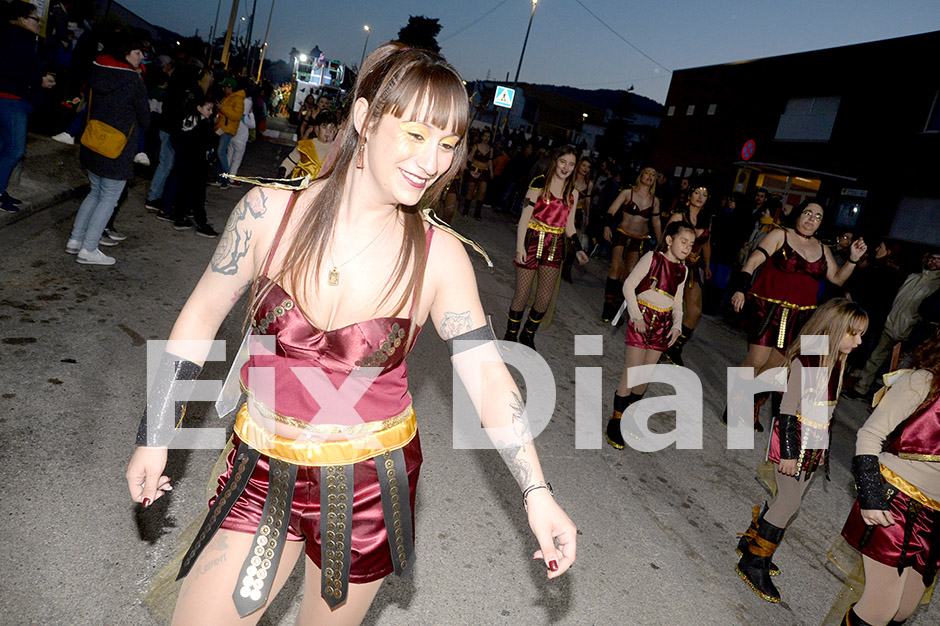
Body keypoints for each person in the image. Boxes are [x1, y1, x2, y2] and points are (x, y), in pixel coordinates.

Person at [125, 43, 576, 624]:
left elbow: (489, 377)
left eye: (446, 144)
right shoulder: (267, 214)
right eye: (415, 134)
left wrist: (536, 491)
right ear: (364, 118)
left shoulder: (441, 259)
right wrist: (156, 429)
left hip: (368, 489)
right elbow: (201, 316)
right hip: (260, 468)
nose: (432, 161)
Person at [735, 298, 869, 603]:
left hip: (812, 443)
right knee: (789, 503)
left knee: (785, 499)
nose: (859, 341)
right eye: (854, 333)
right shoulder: (808, 359)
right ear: (835, 329)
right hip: (792, 441)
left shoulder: (835, 359)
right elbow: (786, 410)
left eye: (862, 334)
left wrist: (819, 450)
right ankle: (753, 562)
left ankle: (753, 544)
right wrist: (789, 453)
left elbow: (825, 413)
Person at [728, 200, 866, 428]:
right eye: (808, 213)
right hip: (768, 308)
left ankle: (752, 403)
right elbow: (753, 260)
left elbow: (838, 278)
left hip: (799, 316)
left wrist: (852, 259)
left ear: (821, 223)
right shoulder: (779, 235)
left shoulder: (823, 249)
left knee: (776, 366)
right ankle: (735, 406)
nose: (811, 219)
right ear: (799, 215)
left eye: (818, 216)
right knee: (757, 359)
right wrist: (741, 288)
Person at [835, 327, 940, 626]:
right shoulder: (923, 381)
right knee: (881, 607)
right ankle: (756, 551)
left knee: (904, 610)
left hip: (936, 515)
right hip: (895, 501)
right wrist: (870, 494)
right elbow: (870, 433)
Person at [606, 220, 693, 449]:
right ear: (669, 240)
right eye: (683, 242)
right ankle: (616, 420)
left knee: (644, 377)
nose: (687, 247)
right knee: (632, 373)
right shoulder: (652, 259)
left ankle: (630, 417)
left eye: (691, 245)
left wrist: (677, 326)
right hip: (642, 317)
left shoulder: (683, 270)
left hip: (663, 325)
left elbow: (678, 302)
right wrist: (636, 316)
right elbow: (628, 286)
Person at [66, 32, 149, 265]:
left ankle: (75, 239)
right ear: (125, 54)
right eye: (137, 53)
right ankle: (89, 248)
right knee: (109, 198)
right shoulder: (133, 81)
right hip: (118, 147)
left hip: (93, 141)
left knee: (95, 192)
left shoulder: (97, 72)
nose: (141, 57)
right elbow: (144, 116)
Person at [503, 145, 589, 350]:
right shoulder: (539, 183)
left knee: (544, 298)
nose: (566, 167)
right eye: (563, 162)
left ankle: (528, 334)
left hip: (556, 245)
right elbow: (524, 218)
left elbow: (569, 225)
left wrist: (577, 248)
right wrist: (519, 247)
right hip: (532, 240)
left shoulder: (573, 193)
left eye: (571, 164)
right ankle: (510, 334)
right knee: (522, 294)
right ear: (555, 161)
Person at [849, 251, 940, 399]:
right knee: (876, 358)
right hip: (891, 324)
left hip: (911, 332)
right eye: (932, 258)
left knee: (900, 368)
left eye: (938, 260)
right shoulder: (913, 277)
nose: (933, 262)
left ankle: (885, 399)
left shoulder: (937, 286)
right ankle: (860, 388)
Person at [0, 2, 56, 213]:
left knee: (6, 146)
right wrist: (39, 80)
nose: (38, 23)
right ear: (22, 19)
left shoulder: (16, 37)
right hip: (12, 99)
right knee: (15, 149)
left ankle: (1, 189)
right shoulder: (15, 38)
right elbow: (11, 68)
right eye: (35, 18)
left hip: (15, 98)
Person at [601, 166, 663, 322]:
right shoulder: (627, 193)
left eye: (653, 175)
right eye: (647, 173)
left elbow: (656, 222)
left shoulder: (654, 200)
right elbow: (611, 210)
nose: (650, 176)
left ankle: (615, 306)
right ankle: (607, 307)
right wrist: (607, 226)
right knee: (616, 266)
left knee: (629, 273)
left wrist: (662, 242)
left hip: (639, 239)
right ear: (640, 176)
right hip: (622, 234)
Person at [664, 186, 713, 365]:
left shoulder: (707, 219)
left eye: (704, 195)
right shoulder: (679, 215)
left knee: (695, 311)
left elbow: (706, 244)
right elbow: (665, 239)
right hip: (674, 264)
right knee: (666, 305)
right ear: (690, 195)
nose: (700, 197)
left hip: (693, 268)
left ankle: (674, 347)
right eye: (697, 193)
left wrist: (707, 265)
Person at [164, 94, 219, 238]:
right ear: (199, 108)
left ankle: (180, 218)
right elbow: (198, 141)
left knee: (185, 190)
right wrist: (215, 135)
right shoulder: (198, 122)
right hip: (195, 162)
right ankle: (201, 223)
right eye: (208, 109)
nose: (210, 112)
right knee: (198, 193)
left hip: (188, 161)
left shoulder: (191, 120)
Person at [278, 111, 338, 179]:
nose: (328, 131)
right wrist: (282, 173)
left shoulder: (339, 150)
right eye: (324, 127)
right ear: (317, 128)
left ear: (336, 131)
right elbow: (289, 163)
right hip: (303, 187)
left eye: (332, 128)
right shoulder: (304, 146)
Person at [561, 156, 593, 282]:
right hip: (565, 208)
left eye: (588, 167)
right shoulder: (570, 177)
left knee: (574, 242)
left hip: (578, 212)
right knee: (561, 237)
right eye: (584, 165)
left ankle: (567, 270)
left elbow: (587, 200)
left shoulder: (589, 183)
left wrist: (587, 216)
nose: (585, 169)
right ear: (579, 165)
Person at [213, 77, 244, 189]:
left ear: (230, 88)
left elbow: (237, 116)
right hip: (222, 128)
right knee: (220, 153)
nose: (223, 89)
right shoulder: (229, 98)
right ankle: (221, 179)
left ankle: (225, 179)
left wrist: (222, 108)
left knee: (220, 152)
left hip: (228, 129)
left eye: (225, 87)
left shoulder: (237, 99)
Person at [463, 128, 492, 219]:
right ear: (482, 137)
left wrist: (491, 172)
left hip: (485, 171)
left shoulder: (491, 149)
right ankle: (466, 210)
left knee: (482, 191)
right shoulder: (476, 146)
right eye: (485, 136)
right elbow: (470, 158)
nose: (486, 138)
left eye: (488, 137)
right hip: (474, 169)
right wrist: (469, 169)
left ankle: (477, 212)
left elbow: (490, 161)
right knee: (471, 189)